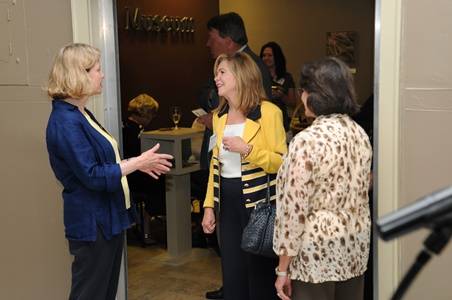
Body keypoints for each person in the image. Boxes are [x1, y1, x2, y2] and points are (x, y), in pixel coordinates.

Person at [45, 43, 173, 300]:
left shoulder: (80, 113)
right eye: (97, 70)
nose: (102, 75)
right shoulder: (66, 121)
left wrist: (138, 163)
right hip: (93, 223)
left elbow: (102, 163)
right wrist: (136, 163)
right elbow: (92, 175)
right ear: (78, 74)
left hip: (107, 218)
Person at [273, 57, 372, 300]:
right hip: (354, 248)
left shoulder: (306, 141)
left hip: (315, 255)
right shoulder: (359, 134)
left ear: (316, 95)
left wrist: (282, 269)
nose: (302, 95)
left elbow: (293, 211)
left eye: (305, 89)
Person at [197, 12, 273, 299]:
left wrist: (248, 150)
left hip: (256, 198)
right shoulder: (219, 117)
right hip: (225, 200)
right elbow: (216, 165)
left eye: (221, 73)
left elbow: (281, 162)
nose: (215, 78)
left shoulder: (268, 112)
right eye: (216, 73)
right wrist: (207, 207)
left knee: (259, 273)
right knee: (232, 268)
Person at [122, 94, 165, 244]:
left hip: (130, 172)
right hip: (132, 175)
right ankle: (147, 228)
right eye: (151, 114)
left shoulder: (126, 126)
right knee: (158, 180)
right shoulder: (133, 132)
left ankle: (146, 225)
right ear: (145, 114)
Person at [259, 41, 296, 133]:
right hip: (262, 120)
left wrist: (281, 96)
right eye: (264, 55)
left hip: (281, 121)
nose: (266, 58)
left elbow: (292, 102)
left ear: (277, 57)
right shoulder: (258, 76)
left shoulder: (287, 77)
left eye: (270, 55)